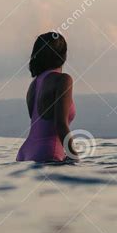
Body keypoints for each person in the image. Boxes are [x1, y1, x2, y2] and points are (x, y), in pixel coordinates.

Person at [16, 32, 77, 162]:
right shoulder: (63, 80)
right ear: (64, 54)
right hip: (48, 151)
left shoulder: (33, 85)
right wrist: (75, 159)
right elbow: (61, 124)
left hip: (24, 153)